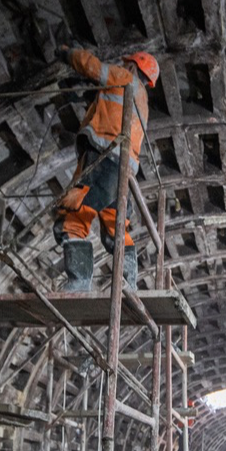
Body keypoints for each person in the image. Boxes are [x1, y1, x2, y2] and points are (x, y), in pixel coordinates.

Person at [52, 45, 159, 292]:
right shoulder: (142, 100)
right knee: (116, 224)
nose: (122, 66)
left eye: (126, 64)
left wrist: (67, 53)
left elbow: (92, 67)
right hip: (123, 171)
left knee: (75, 214)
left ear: (133, 66)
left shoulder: (124, 78)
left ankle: (78, 281)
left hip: (103, 158)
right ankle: (129, 282)